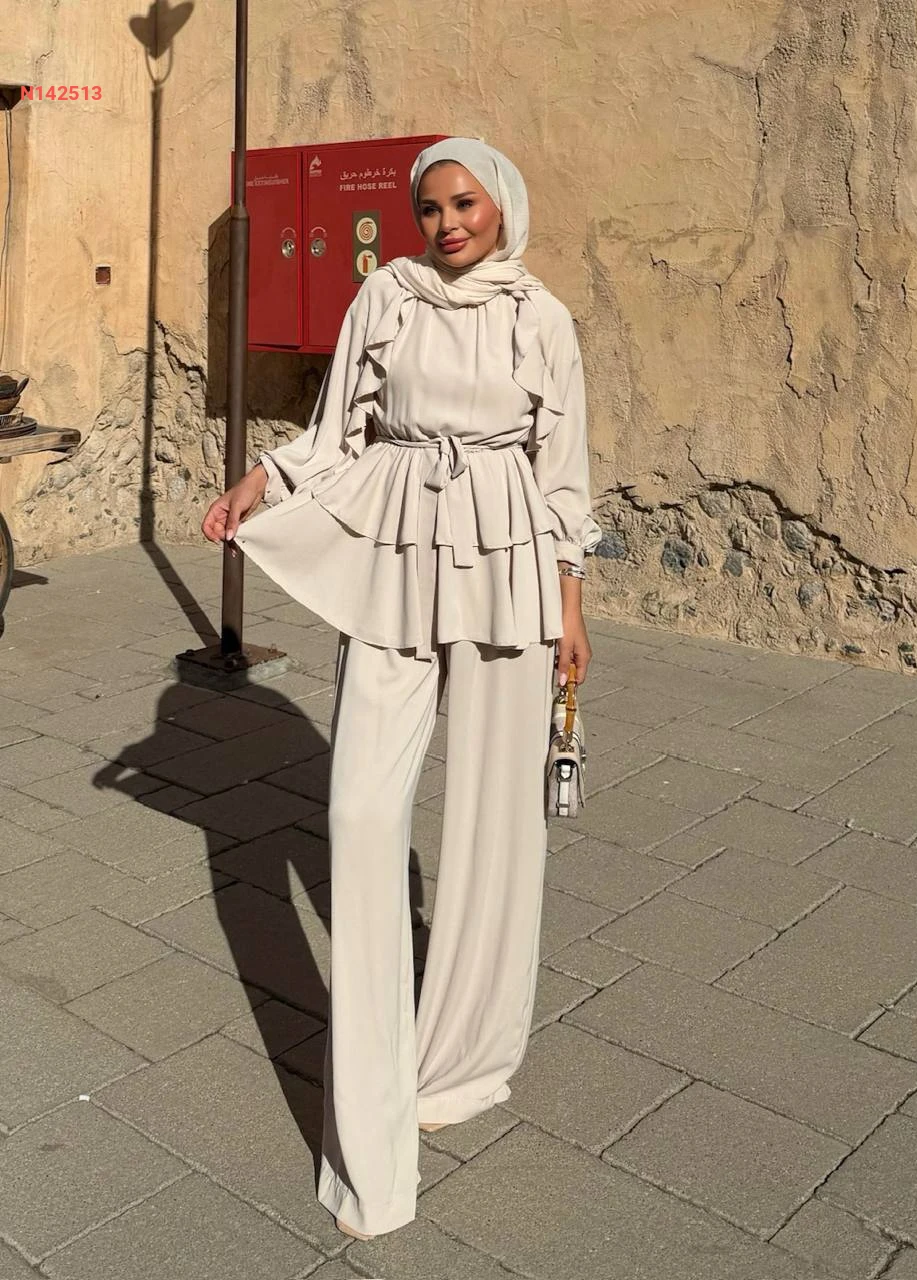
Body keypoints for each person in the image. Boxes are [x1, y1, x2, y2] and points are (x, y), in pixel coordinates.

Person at [201, 137, 601, 1239]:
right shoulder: (386, 296)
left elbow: (565, 473)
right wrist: (263, 477)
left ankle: (461, 1060)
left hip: (511, 560)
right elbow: (339, 427)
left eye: (464, 203)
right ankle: (369, 1132)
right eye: (430, 208)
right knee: (362, 813)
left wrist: (571, 605)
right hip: (399, 552)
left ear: (501, 205)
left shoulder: (542, 318)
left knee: (493, 824)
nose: (446, 223)